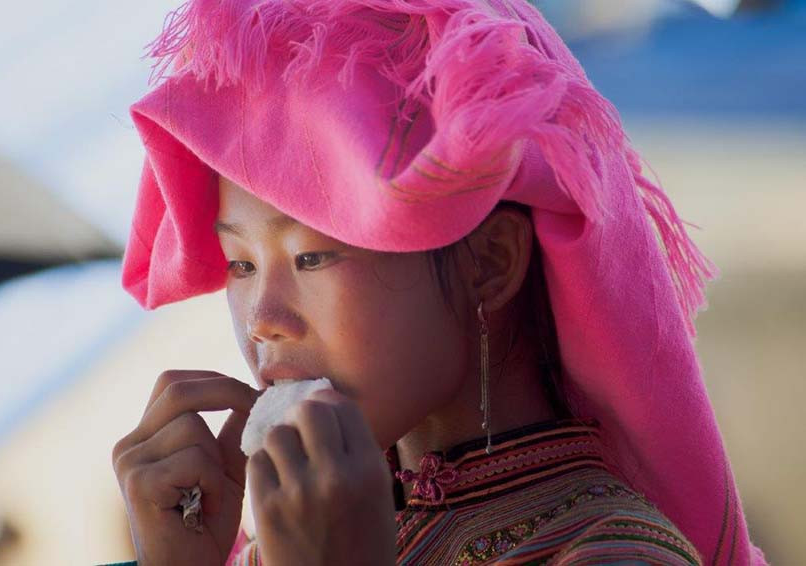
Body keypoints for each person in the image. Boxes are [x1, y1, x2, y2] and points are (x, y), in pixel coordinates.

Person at [106, 1, 768, 565]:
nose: (262, 318)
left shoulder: (614, 550)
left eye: (310, 258)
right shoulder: (282, 539)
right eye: (240, 266)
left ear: (490, 262)